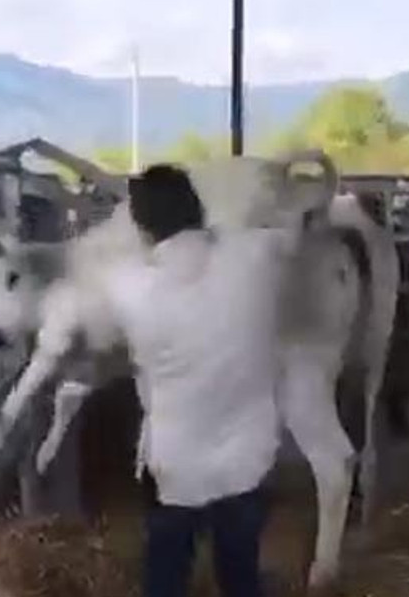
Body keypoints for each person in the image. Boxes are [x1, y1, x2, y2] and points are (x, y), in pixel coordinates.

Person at [107, 164, 290, 597]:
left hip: (176, 463)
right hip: (248, 455)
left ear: (141, 224)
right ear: (197, 206)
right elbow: (285, 230)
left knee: (167, 573)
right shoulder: (254, 257)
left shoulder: (130, 287)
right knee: (241, 571)